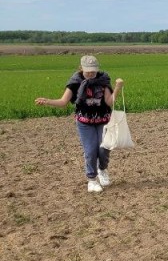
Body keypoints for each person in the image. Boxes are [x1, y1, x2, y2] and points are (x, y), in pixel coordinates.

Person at [35, 54, 124, 193]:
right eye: (87, 71)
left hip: (103, 121)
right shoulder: (75, 82)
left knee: (104, 148)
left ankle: (102, 170)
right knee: (90, 151)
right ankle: (92, 180)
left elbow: (109, 102)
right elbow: (63, 102)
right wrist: (47, 101)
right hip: (85, 123)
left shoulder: (103, 80)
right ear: (81, 68)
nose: (90, 73)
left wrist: (118, 88)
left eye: (93, 71)